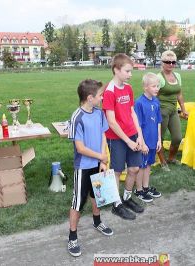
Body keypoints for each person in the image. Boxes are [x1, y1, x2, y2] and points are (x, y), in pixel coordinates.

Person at [67, 79, 113, 257]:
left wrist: (103, 159)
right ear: (90, 97)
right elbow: (80, 148)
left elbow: (102, 135)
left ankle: (97, 221)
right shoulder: (77, 118)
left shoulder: (99, 113)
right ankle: (72, 236)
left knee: (96, 195)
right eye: (100, 96)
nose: (102, 98)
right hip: (83, 166)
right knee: (78, 201)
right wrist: (100, 156)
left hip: (98, 163)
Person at [102, 53, 145, 221]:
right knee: (117, 171)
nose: (130, 74)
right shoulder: (109, 91)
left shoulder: (128, 88)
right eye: (127, 71)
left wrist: (139, 136)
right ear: (116, 70)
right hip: (117, 138)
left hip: (132, 135)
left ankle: (127, 198)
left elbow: (132, 113)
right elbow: (111, 122)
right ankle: (116, 203)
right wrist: (127, 140)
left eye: (131, 71)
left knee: (134, 169)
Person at [134, 73, 163, 203]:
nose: (157, 88)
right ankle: (138, 190)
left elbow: (158, 122)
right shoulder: (139, 103)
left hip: (153, 140)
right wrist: (143, 143)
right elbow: (138, 125)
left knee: (149, 164)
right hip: (144, 142)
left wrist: (159, 139)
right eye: (154, 86)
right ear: (145, 87)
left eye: (158, 86)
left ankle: (145, 187)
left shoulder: (156, 101)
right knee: (141, 166)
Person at [157, 50, 188, 171]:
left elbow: (179, 94)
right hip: (161, 112)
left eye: (173, 62)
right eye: (167, 62)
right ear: (162, 62)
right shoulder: (159, 77)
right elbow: (154, 96)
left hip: (173, 111)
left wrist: (183, 109)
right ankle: (163, 161)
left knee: (177, 138)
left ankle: (171, 158)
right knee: (160, 138)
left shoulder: (178, 76)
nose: (170, 64)